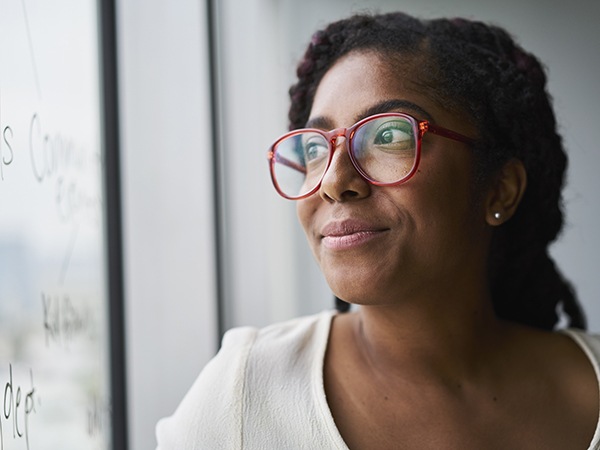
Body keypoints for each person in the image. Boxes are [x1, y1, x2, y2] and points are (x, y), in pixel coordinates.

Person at [156, 12, 600, 449]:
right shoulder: (242, 394)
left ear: (500, 191)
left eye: (388, 137)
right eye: (315, 147)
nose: (332, 181)